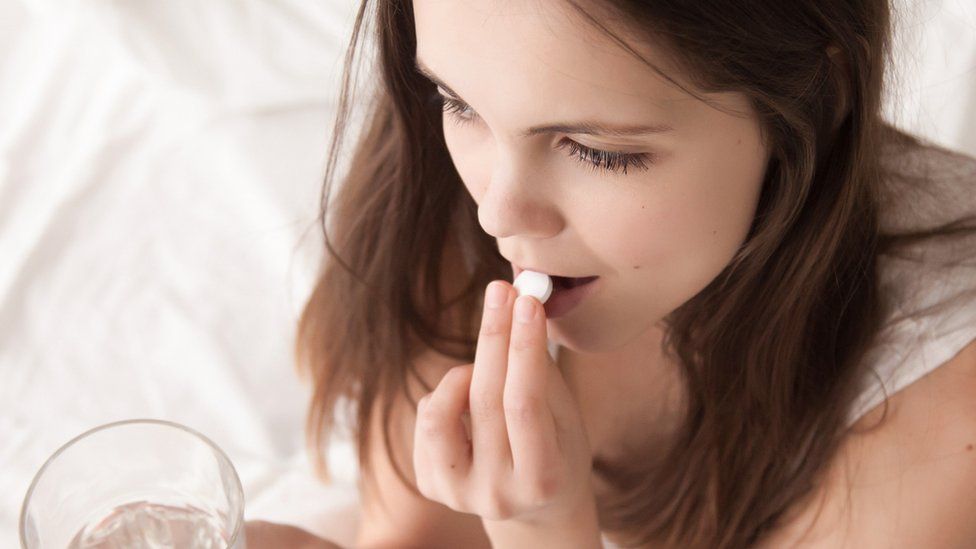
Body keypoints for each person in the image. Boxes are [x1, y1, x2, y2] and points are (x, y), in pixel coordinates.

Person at [280, 0, 976, 547]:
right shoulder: (453, 174)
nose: (497, 213)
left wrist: (544, 535)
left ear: (823, 96)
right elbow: (431, 533)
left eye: (597, 151)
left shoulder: (949, 404)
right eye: (457, 102)